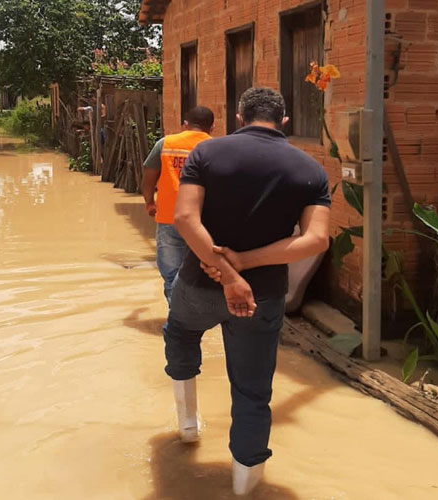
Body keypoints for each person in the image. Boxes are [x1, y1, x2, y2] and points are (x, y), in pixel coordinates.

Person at [165, 88, 331, 495]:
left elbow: (184, 217)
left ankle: (188, 427)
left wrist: (223, 269)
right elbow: (316, 241)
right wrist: (244, 267)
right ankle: (245, 487)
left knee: (181, 334)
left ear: (239, 117)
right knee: (253, 389)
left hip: (199, 283)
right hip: (264, 296)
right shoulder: (310, 170)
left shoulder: (207, 154)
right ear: (284, 122)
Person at [142, 106, 215, 305]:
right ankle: (194, 317)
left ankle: (177, 318)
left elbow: (149, 177)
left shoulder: (165, 144)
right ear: (212, 128)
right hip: (204, 220)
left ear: (185, 125)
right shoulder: (217, 147)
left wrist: (149, 202)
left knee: (171, 272)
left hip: (169, 216)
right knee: (203, 271)